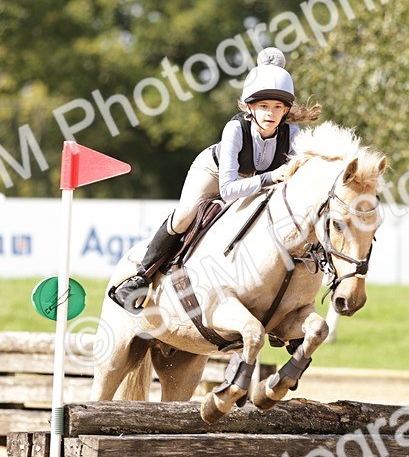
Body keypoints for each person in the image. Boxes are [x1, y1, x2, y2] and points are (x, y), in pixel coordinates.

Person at [108, 48, 321, 312]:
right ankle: (141, 276)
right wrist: (269, 178)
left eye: (278, 107)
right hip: (215, 172)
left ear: (286, 110)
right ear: (249, 107)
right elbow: (228, 189)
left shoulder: (293, 133)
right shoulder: (235, 129)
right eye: (263, 106)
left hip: (260, 181)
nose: (271, 113)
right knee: (186, 214)